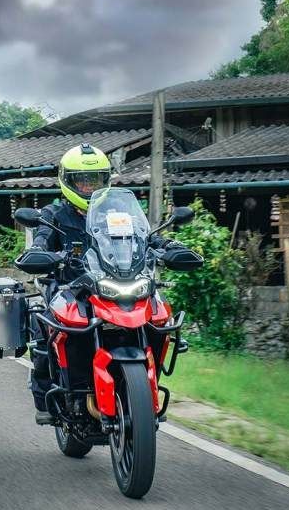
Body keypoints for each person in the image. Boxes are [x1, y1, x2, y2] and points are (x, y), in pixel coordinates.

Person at [27, 144, 179, 424]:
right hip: (69, 288)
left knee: (159, 318)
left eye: (94, 179)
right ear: (67, 180)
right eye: (81, 180)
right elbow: (43, 237)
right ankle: (45, 395)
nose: (87, 186)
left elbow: (147, 237)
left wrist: (168, 246)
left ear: (106, 180)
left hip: (116, 283)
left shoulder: (120, 211)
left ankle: (143, 391)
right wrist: (40, 252)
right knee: (44, 329)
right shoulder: (54, 214)